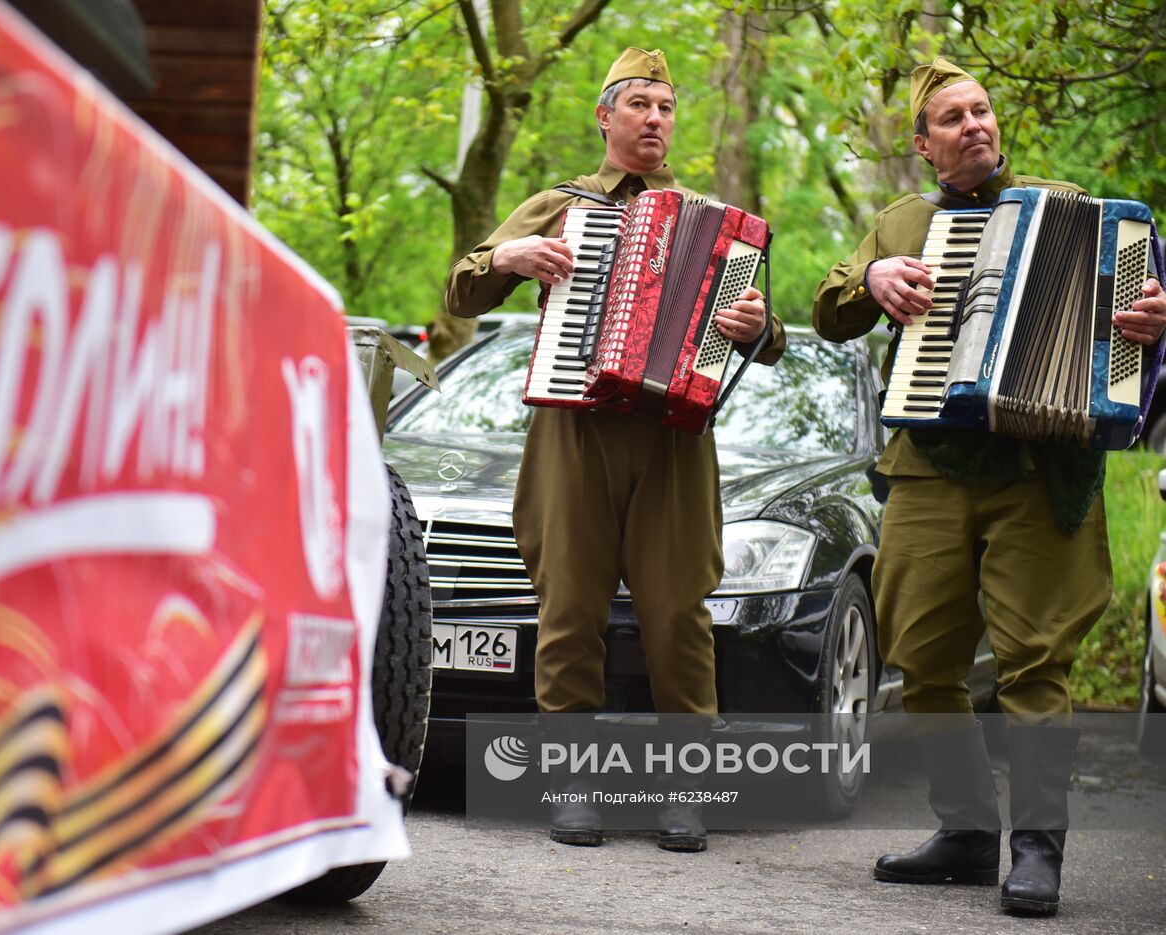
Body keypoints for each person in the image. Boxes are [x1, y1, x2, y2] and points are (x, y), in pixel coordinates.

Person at [812, 58, 1166, 917]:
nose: (974, 124)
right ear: (923, 144)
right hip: (929, 465)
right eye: (952, 117)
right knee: (920, 652)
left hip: (1039, 467)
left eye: (981, 110)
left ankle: (1038, 849)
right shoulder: (901, 222)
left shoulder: (1072, 207)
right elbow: (829, 310)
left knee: (1035, 659)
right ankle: (967, 831)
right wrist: (870, 281)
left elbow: (1140, 310)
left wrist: (1153, 319)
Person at [445, 47, 785, 852]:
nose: (655, 119)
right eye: (639, 104)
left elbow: (766, 339)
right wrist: (507, 257)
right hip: (574, 432)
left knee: (678, 617)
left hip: (674, 440)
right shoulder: (556, 205)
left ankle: (685, 789)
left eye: (665, 107)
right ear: (605, 117)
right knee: (569, 610)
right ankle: (573, 785)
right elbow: (460, 289)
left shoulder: (713, 221)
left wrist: (755, 326)